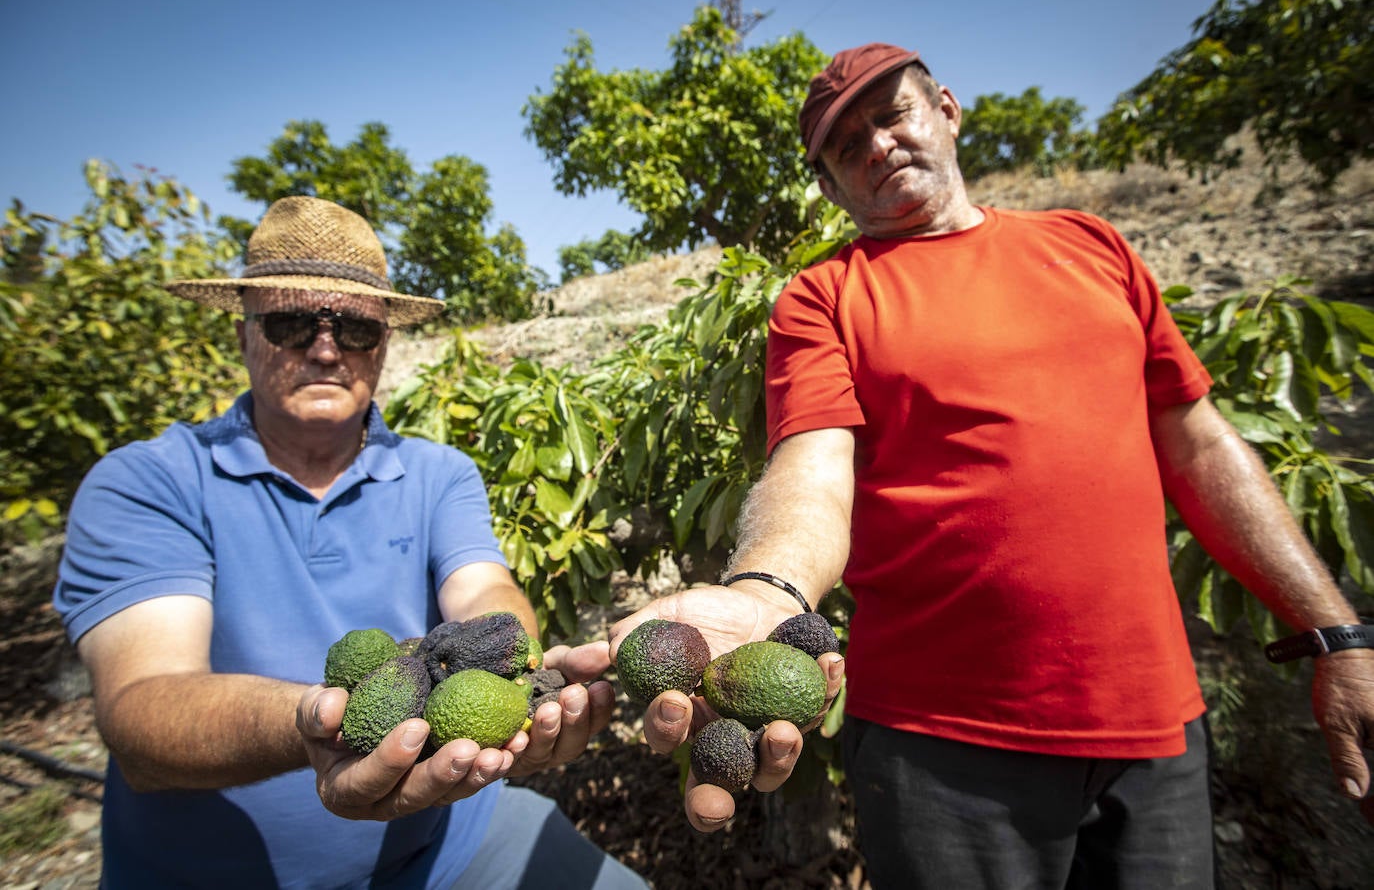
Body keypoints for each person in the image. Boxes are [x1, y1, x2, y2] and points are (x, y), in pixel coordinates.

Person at [608, 43, 1374, 887]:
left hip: (1155, 728)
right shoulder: (824, 296)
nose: (879, 146)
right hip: (941, 752)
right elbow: (815, 466)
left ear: (946, 108)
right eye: (846, 147)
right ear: (829, 187)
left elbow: (1200, 443)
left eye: (892, 114)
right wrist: (769, 591)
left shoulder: (1093, 248)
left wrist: (1334, 630)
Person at [54, 196, 646, 889]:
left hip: (447, 846)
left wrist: (512, 681)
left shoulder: (438, 471)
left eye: (356, 328)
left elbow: (484, 589)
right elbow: (143, 709)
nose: (326, 348)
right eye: (292, 323)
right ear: (244, 333)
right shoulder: (147, 480)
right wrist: (316, 724)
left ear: (384, 346)